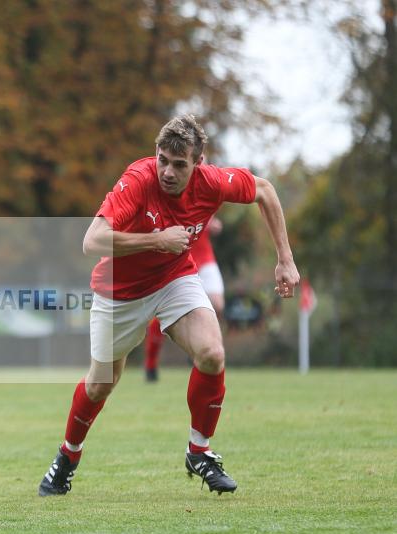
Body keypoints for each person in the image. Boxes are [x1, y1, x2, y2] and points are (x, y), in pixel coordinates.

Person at [38, 115, 299, 496]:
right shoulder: (138, 180)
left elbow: (265, 191)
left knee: (212, 353)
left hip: (174, 279)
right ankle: (67, 456)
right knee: (101, 384)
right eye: (162, 160)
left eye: (179, 164)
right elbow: (92, 241)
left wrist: (285, 258)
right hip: (120, 292)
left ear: (199, 163)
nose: (168, 172)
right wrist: (156, 240)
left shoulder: (212, 183)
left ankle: (200, 451)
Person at [144, 215, 225, 382]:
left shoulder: (200, 191)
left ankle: (201, 346)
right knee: (166, 312)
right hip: (177, 261)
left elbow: (208, 209)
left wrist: (212, 221)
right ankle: (151, 363)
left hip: (204, 257)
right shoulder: (164, 195)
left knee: (217, 303)